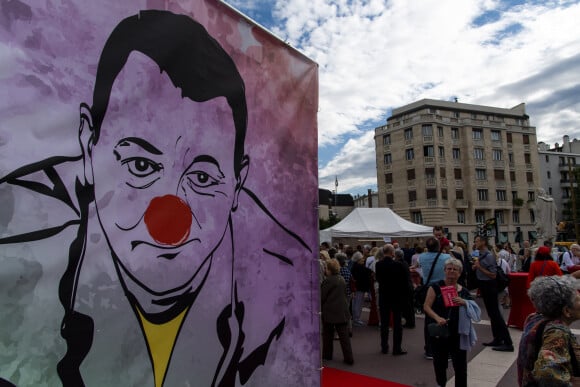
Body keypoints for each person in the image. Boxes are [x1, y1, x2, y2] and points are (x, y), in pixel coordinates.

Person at [0, 10, 313, 386]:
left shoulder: (285, 281)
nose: (170, 223)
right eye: (139, 166)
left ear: (237, 181)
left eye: (202, 177)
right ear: (88, 143)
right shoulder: (18, 254)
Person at [424, 257, 481, 387]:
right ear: (444, 270)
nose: (451, 271)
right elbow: (426, 306)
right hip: (440, 331)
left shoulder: (464, 291)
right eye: (449, 269)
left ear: (459, 273)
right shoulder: (435, 287)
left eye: (455, 269)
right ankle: (441, 384)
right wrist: (437, 317)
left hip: (458, 333)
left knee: (461, 367)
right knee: (440, 364)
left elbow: (475, 312)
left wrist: (465, 303)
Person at [517, 275, 580, 386]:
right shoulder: (557, 332)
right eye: (578, 300)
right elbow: (547, 373)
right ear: (567, 311)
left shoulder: (534, 318)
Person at [473, 236, 514, 352]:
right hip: (483, 286)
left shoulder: (489, 256)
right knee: (492, 314)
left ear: (483, 242)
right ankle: (497, 338)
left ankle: (508, 342)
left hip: (489, 286)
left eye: (477, 241)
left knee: (496, 314)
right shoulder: (480, 255)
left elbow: (493, 275)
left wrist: (479, 267)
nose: (475, 243)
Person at [375, 244, 411, 355]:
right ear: (392, 253)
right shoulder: (398, 265)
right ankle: (397, 348)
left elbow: (378, 279)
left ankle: (384, 347)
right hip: (396, 296)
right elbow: (405, 282)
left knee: (384, 324)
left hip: (384, 296)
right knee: (397, 323)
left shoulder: (378, 265)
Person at [419, 237, 450, 359]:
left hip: (428, 288)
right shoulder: (446, 257)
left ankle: (430, 349)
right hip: (443, 288)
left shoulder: (422, 257)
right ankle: (445, 350)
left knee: (429, 319)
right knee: (445, 317)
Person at [321, 259, 354, 365]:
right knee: (344, 337)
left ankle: (327, 355)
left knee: (327, 336)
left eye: (326, 268)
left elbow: (322, 296)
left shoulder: (328, 281)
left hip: (330, 311)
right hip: (342, 310)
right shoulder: (341, 279)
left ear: (329, 269)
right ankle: (349, 358)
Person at [350, 251, 371, 326]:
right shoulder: (358, 267)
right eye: (362, 259)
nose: (363, 260)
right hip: (359, 288)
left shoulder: (355, 267)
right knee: (357, 304)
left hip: (358, 288)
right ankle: (356, 319)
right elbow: (363, 276)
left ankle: (356, 318)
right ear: (358, 260)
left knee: (356, 304)